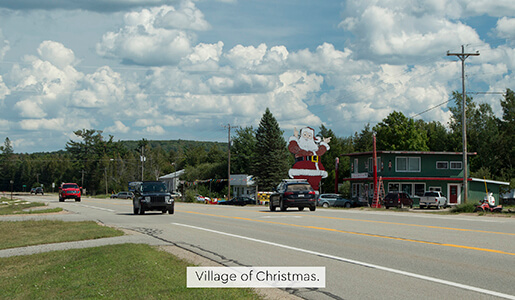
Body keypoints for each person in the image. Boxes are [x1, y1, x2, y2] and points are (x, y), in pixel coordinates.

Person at [287, 127, 331, 191]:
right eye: (304, 135)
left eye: (309, 135)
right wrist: (294, 137)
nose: (307, 137)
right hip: (300, 168)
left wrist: (324, 143)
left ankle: (314, 193)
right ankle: (300, 193)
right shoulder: (299, 149)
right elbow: (293, 148)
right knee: (300, 184)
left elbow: (320, 151)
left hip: (315, 169)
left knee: (314, 183)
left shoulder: (315, 150)